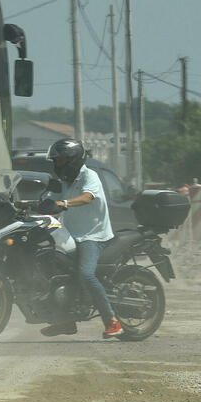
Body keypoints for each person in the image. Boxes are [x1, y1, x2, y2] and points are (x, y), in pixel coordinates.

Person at [39, 138, 123, 339]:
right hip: (70, 234)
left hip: (92, 236)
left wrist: (62, 203)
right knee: (55, 270)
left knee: (86, 274)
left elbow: (87, 197)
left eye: (59, 161)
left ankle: (112, 321)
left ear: (72, 160)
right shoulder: (66, 180)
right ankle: (66, 322)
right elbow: (49, 197)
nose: (56, 165)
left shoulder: (89, 176)